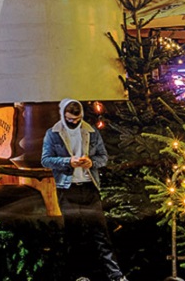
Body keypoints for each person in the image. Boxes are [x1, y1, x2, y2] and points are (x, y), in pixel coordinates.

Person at [41, 99, 129, 281]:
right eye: (70, 119)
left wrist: (92, 162)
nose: (74, 122)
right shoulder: (53, 134)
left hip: (89, 187)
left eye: (77, 119)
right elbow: (46, 160)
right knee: (74, 234)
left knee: (100, 232)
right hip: (68, 188)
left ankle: (116, 275)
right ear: (63, 116)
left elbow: (103, 157)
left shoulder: (91, 132)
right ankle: (80, 275)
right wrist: (67, 162)